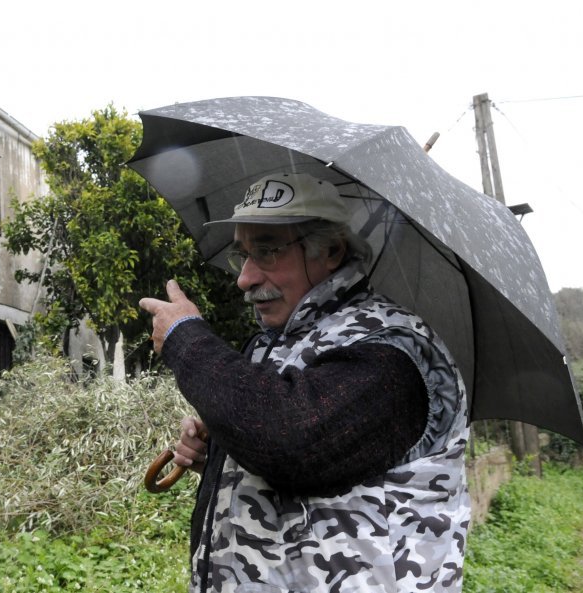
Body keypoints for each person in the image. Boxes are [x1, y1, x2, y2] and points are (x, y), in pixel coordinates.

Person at [138, 172, 470, 593]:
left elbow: (289, 438)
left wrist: (186, 340)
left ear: (330, 250)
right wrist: (223, 448)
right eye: (243, 254)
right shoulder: (277, 342)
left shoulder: (393, 350)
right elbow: (276, 434)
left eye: (268, 251)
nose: (245, 278)